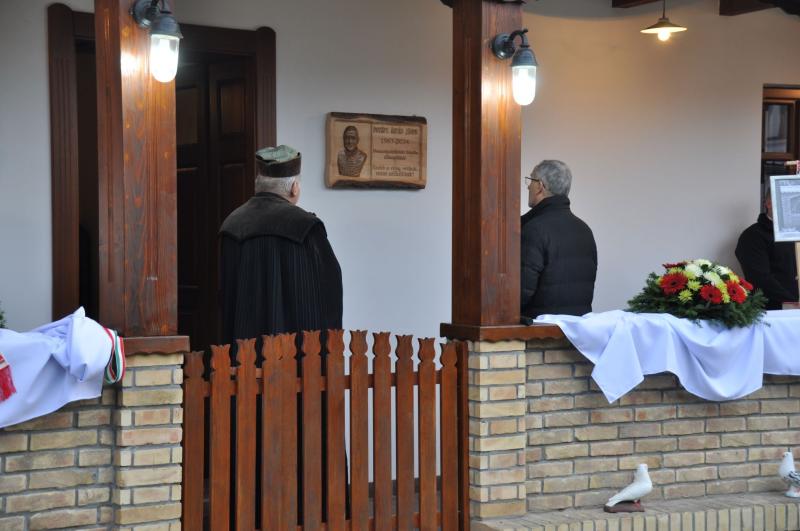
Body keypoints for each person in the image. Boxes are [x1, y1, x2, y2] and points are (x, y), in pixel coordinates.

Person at [220, 145, 343, 342]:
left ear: (258, 184)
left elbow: (225, 298)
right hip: (293, 351)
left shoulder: (231, 225)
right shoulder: (307, 228)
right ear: (294, 187)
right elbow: (328, 293)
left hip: (243, 350)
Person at [521, 160, 597, 318]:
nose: (528, 186)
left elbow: (521, 291)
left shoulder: (534, 229)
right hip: (577, 329)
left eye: (531, 180)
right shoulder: (584, 230)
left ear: (540, 186)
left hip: (540, 328)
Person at [735, 189, 798, 310]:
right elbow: (760, 279)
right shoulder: (753, 236)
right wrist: (794, 301)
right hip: (774, 311)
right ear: (769, 203)